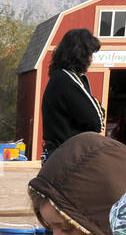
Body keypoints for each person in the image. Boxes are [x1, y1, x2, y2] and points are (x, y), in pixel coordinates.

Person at [41, 29, 105, 161]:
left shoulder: (59, 78)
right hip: (68, 158)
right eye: (90, 54)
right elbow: (97, 120)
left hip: (56, 155)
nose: (91, 59)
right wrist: (98, 107)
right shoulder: (68, 80)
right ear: (80, 54)